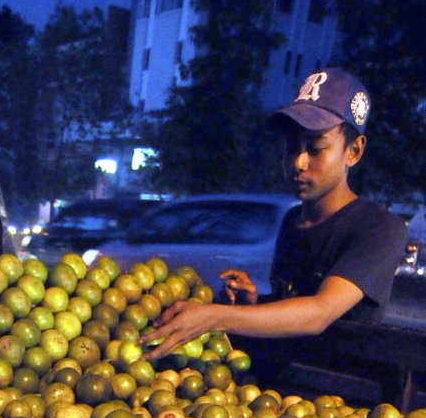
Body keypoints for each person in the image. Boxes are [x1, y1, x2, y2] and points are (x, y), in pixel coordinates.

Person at [142, 67, 409, 359]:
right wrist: (255, 303)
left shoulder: (380, 229)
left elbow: (319, 313)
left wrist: (213, 316)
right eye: (291, 148)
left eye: (316, 148)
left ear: (354, 151)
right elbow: (293, 310)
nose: (298, 162)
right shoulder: (293, 222)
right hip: (282, 390)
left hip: (345, 395)